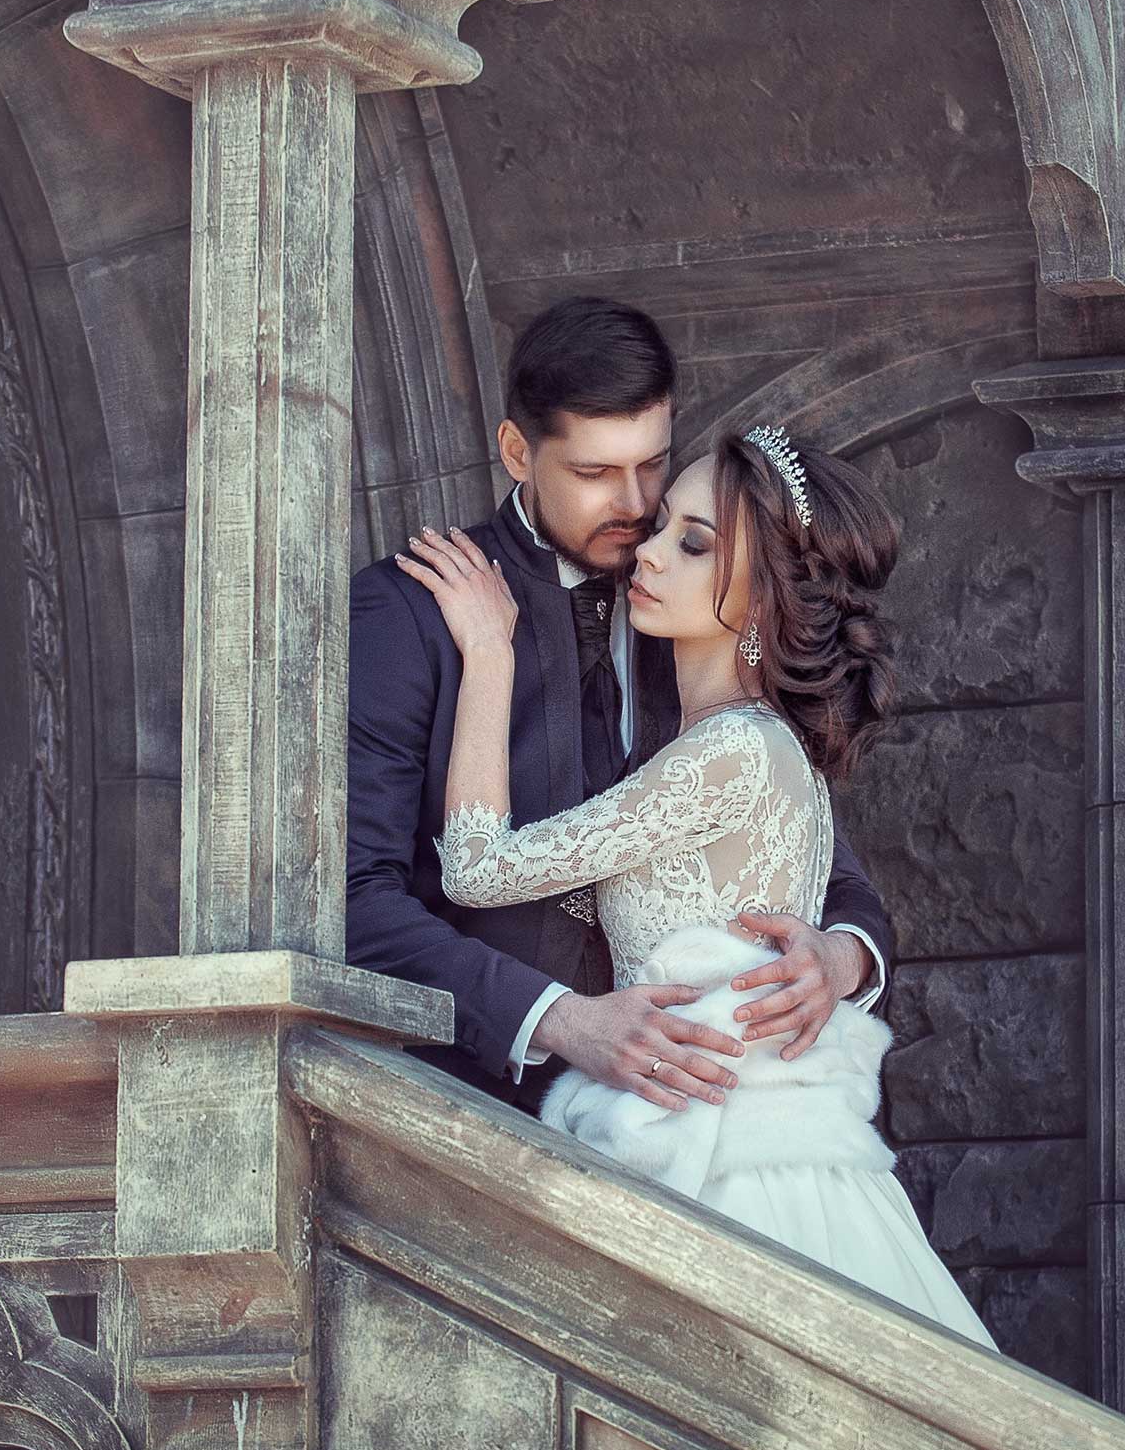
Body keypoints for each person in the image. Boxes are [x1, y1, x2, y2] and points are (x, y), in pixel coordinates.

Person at [392, 427, 994, 1346]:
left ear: (763, 599)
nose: (650, 552)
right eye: (664, 525)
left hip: (723, 1155)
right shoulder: (764, 742)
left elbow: (477, 868)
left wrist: (488, 653)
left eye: (696, 544)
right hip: (730, 1119)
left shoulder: (729, 753)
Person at [346, 296, 896, 1114]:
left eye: (653, 464)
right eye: (595, 473)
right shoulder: (408, 615)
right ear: (517, 452)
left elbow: (824, 869)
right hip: (478, 1113)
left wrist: (839, 958)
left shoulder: (700, 609)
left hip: (696, 1110)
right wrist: (560, 1019)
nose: (637, 507)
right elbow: (353, 900)